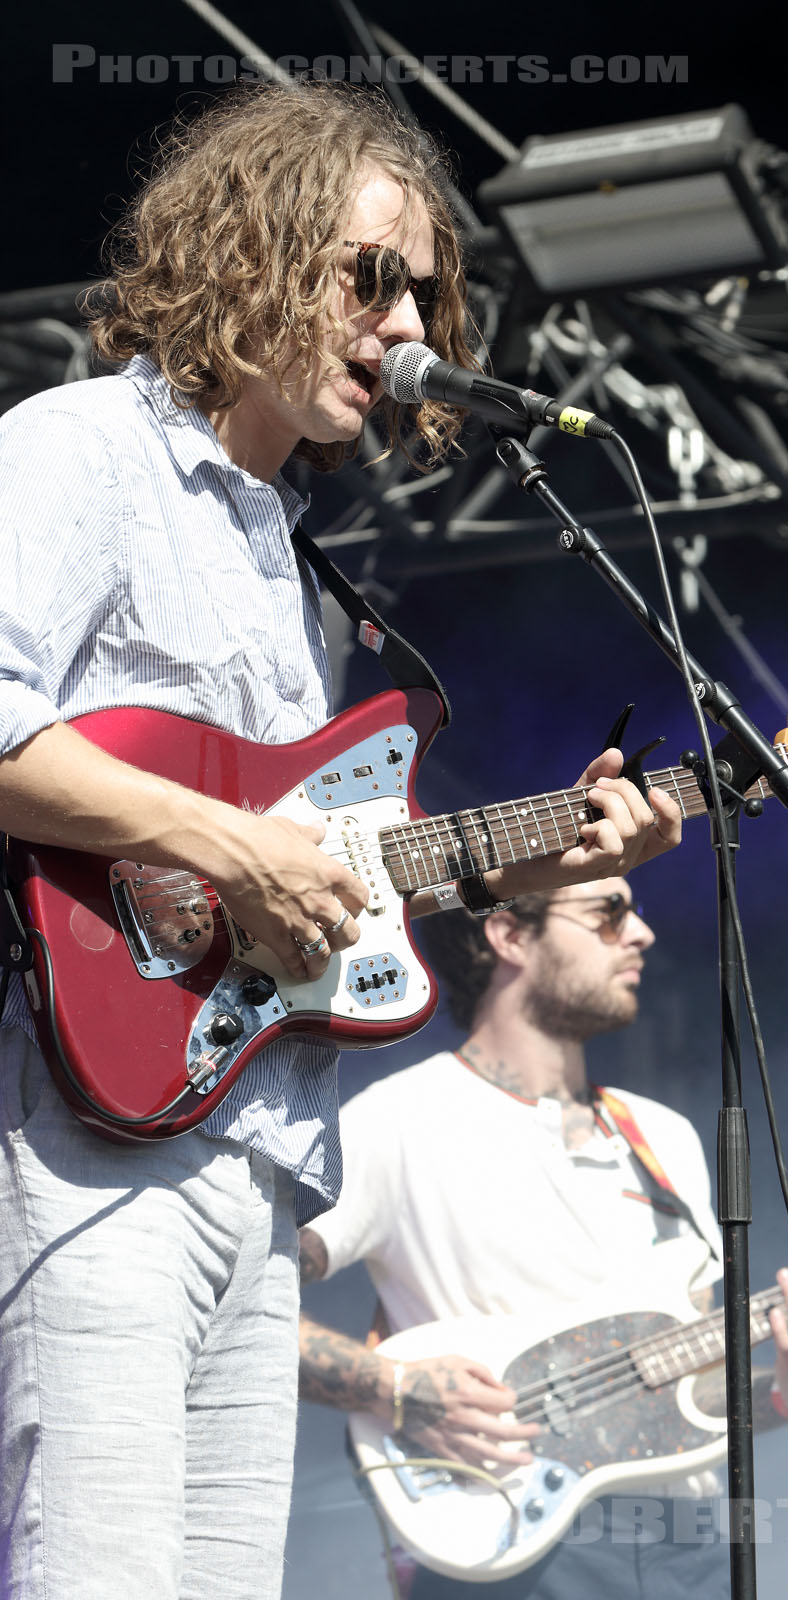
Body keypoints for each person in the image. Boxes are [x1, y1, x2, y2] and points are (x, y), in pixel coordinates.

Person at [0, 84, 681, 1600]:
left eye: (421, 295)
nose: (396, 325)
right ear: (250, 252)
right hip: (85, 1139)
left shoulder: (293, 564)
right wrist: (233, 850)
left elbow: (327, 870)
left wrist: (533, 856)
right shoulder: (75, 451)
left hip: (262, 1161)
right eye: (364, 279)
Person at [298, 879, 788, 1599]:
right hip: (509, 1543)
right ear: (510, 936)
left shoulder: (665, 1137)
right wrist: (393, 1388)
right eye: (608, 913)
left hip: (690, 1550)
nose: (641, 935)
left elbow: (678, 1403)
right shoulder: (398, 1121)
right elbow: (237, 1304)